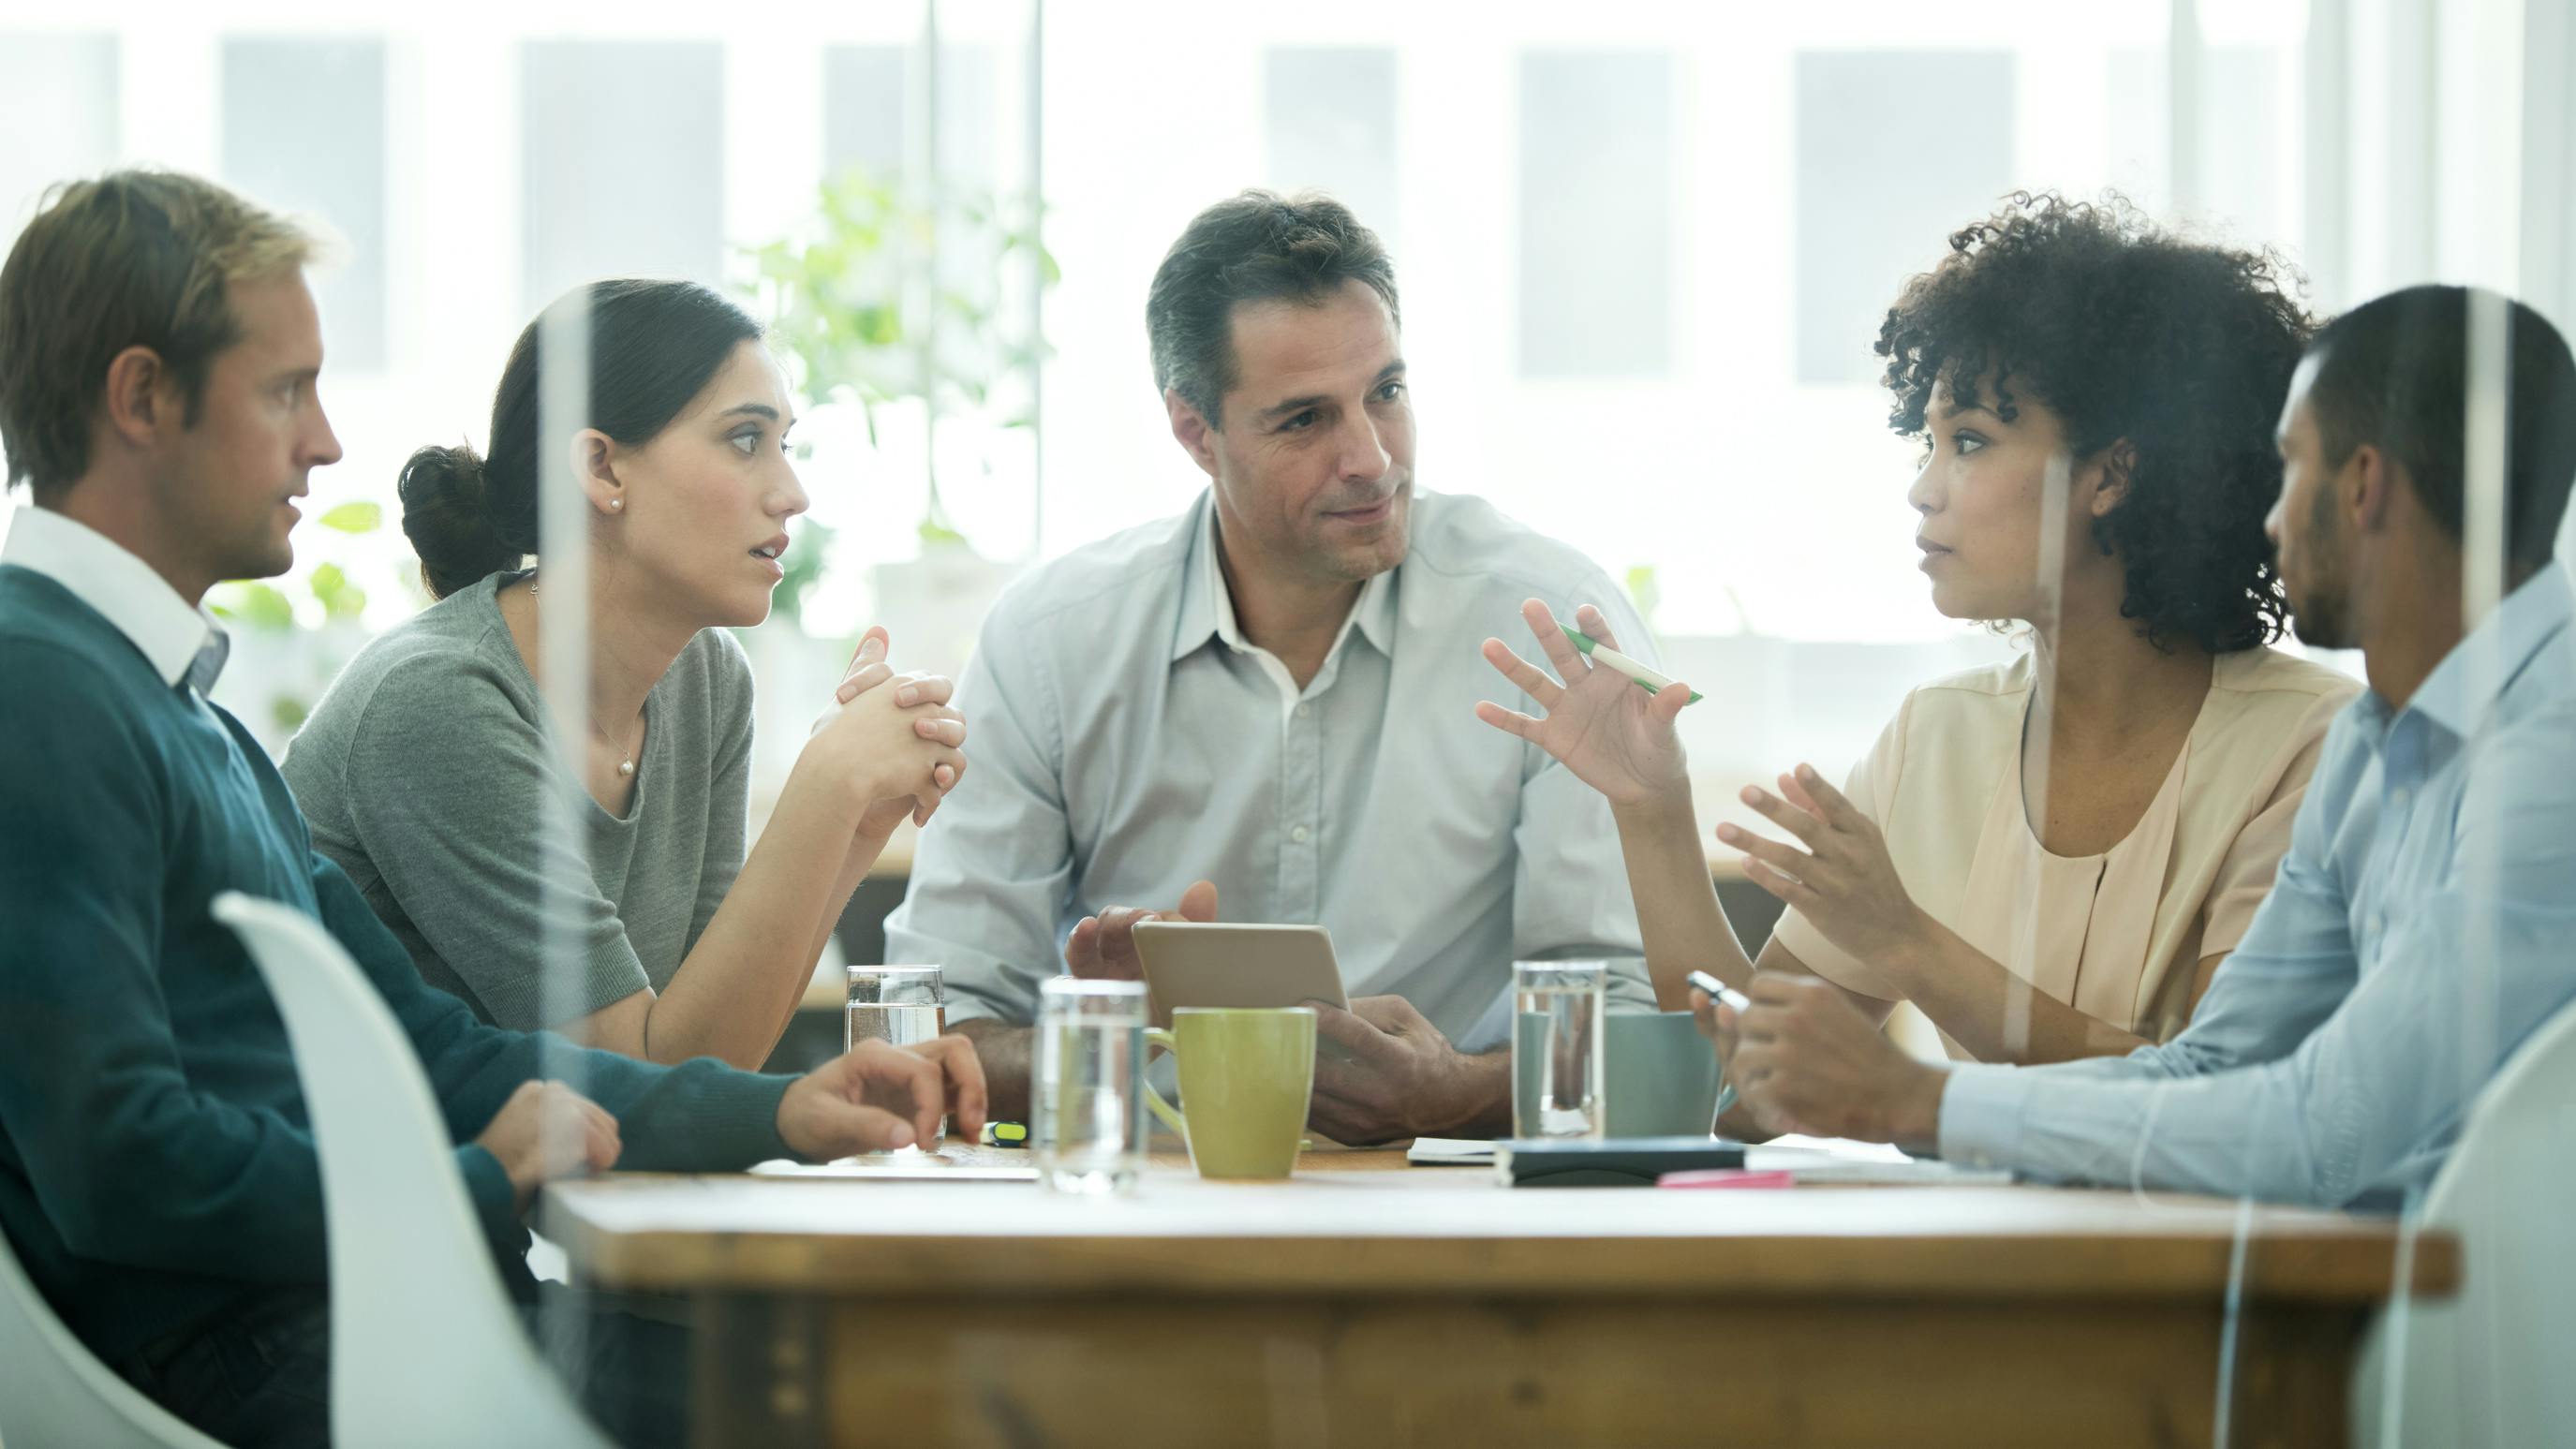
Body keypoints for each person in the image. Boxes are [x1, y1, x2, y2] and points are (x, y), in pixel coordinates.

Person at [0, 170, 986, 1449]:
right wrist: (475, 1174)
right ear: (141, 398)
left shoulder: (185, 712)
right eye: (285, 389)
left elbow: (443, 1047)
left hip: (362, 1309)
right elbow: (119, 1164)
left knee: (887, 1372)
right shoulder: (41, 688)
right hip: (255, 1352)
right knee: (879, 1400)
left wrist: (784, 1111)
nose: (328, 443)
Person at [1703, 284, 2576, 1207]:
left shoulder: (2545, 756)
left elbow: (2327, 1129)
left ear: (2361, 487)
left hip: (2470, 1332)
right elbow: (2210, 1074)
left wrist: (1924, 1101)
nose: (2267, 519)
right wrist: (1917, 1100)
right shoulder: (2375, 745)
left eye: (2289, 472)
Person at [1482, 193, 2356, 1066]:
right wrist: (1653, 809)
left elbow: (2226, 1099)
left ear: (2112, 474)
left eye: (1969, 442)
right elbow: (1744, 1083)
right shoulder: (1935, 736)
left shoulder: (2311, 747)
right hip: (1961, 1209)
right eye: (1928, 443)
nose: (1924, 489)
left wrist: (1906, 943)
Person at [882, 190, 1658, 1143]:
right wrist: (1117, 1035)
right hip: (1146, 1225)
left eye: (1386, 392)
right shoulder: (1051, 642)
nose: (1371, 457)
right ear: (1193, 432)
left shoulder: (1548, 625)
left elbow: (1633, 1017)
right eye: (1303, 420)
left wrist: (1452, 1088)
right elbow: (942, 1023)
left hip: (1448, 1224)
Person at [280, 279, 967, 1068]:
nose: (792, 492)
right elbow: (639, 1078)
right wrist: (825, 786)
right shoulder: (437, 700)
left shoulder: (705, 679)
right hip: (385, 1184)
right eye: (747, 440)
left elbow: (713, 1052)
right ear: (602, 468)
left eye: (787, 445)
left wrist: (859, 818)